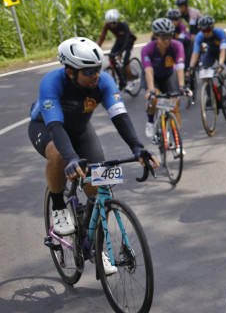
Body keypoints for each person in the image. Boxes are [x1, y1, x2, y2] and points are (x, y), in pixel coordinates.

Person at [28, 37, 158, 274]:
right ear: (70, 72)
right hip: (47, 128)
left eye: (97, 68)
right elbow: (55, 126)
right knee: (59, 155)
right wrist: (71, 158)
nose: (95, 75)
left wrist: (138, 148)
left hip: (81, 131)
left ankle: (95, 245)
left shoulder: (103, 81)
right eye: (88, 71)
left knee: (97, 188)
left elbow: (120, 116)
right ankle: (59, 207)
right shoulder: (52, 82)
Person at [141, 18, 189, 138]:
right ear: (156, 36)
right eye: (163, 37)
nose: (167, 40)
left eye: (169, 36)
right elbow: (148, 70)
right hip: (153, 77)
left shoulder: (177, 46)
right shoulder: (147, 49)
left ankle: (177, 140)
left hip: (168, 76)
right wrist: (151, 90)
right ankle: (150, 121)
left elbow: (180, 67)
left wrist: (182, 86)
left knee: (174, 105)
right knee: (153, 99)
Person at [188, 15, 226, 106]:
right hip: (211, 52)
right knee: (203, 71)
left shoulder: (220, 33)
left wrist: (220, 64)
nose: (206, 33)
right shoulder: (199, 36)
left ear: (212, 28)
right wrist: (191, 67)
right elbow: (195, 53)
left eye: (208, 30)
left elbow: (223, 50)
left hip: (225, 52)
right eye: (203, 31)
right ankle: (208, 95)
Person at [96, 9, 138, 92]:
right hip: (119, 41)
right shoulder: (107, 26)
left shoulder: (124, 25)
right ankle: (121, 77)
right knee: (111, 57)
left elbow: (127, 40)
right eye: (110, 23)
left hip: (129, 41)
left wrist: (120, 52)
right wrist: (97, 48)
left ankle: (130, 83)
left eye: (114, 23)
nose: (112, 25)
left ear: (117, 20)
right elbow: (102, 37)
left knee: (125, 62)